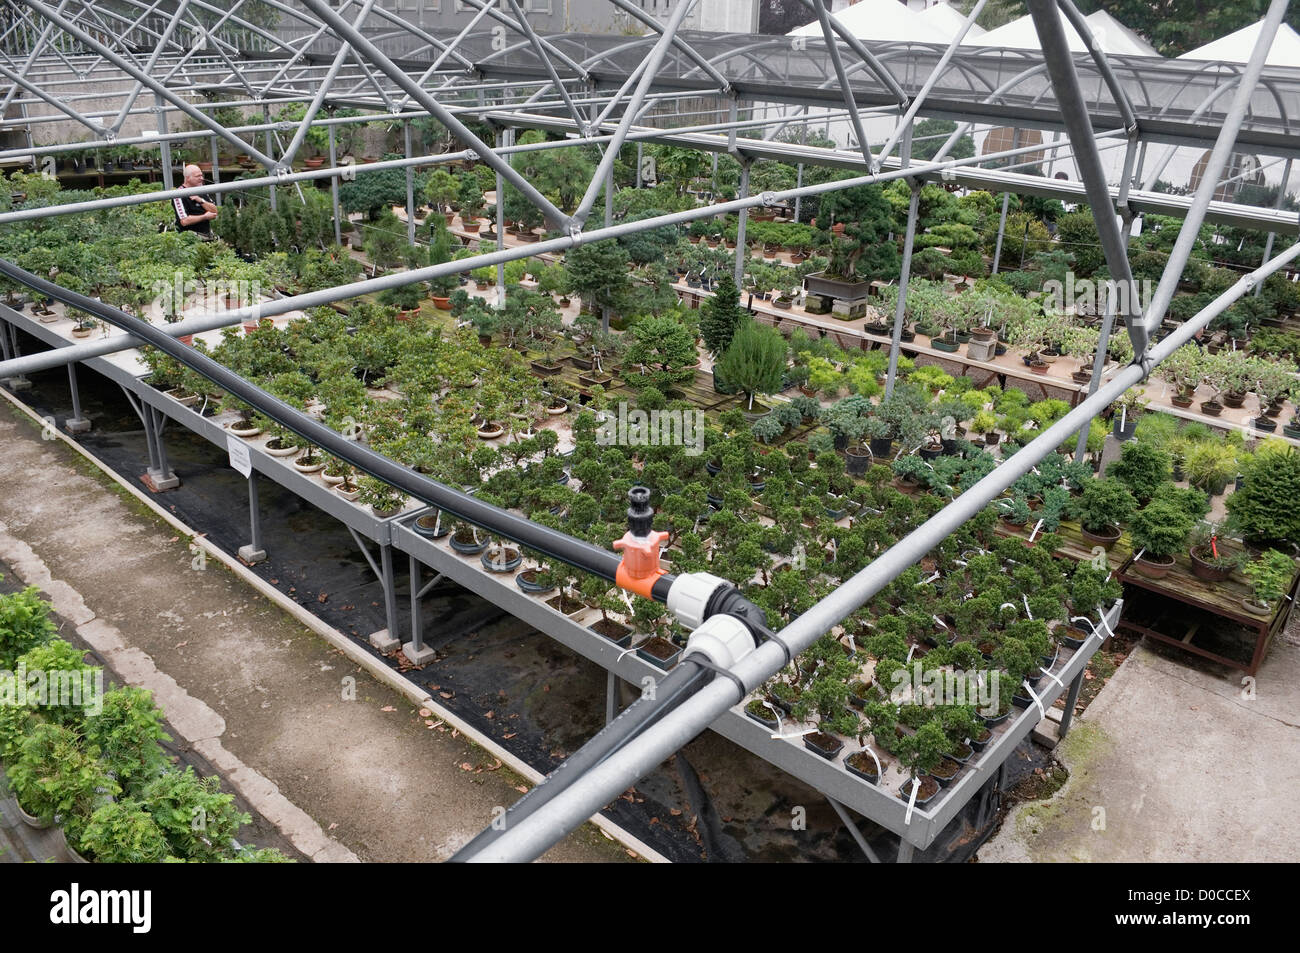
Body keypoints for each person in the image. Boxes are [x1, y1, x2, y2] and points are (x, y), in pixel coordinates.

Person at [173, 164, 218, 236]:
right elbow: (184, 221)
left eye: (201, 175)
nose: (201, 178)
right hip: (188, 237)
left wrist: (200, 200)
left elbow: (214, 211)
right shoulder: (178, 194)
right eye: (198, 176)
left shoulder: (201, 189)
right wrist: (205, 217)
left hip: (207, 235)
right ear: (188, 178)